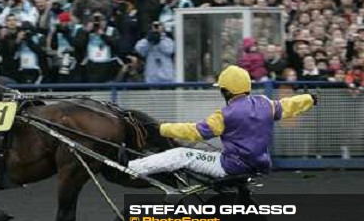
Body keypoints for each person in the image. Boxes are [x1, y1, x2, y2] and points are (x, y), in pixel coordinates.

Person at [128, 65, 317, 179]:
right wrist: (310, 99)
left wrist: (161, 128)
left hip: (231, 166)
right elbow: (290, 104)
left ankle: (132, 167)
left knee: (181, 154)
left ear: (225, 91)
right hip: (260, 164)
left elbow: (195, 132)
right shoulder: (266, 103)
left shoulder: (224, 115)